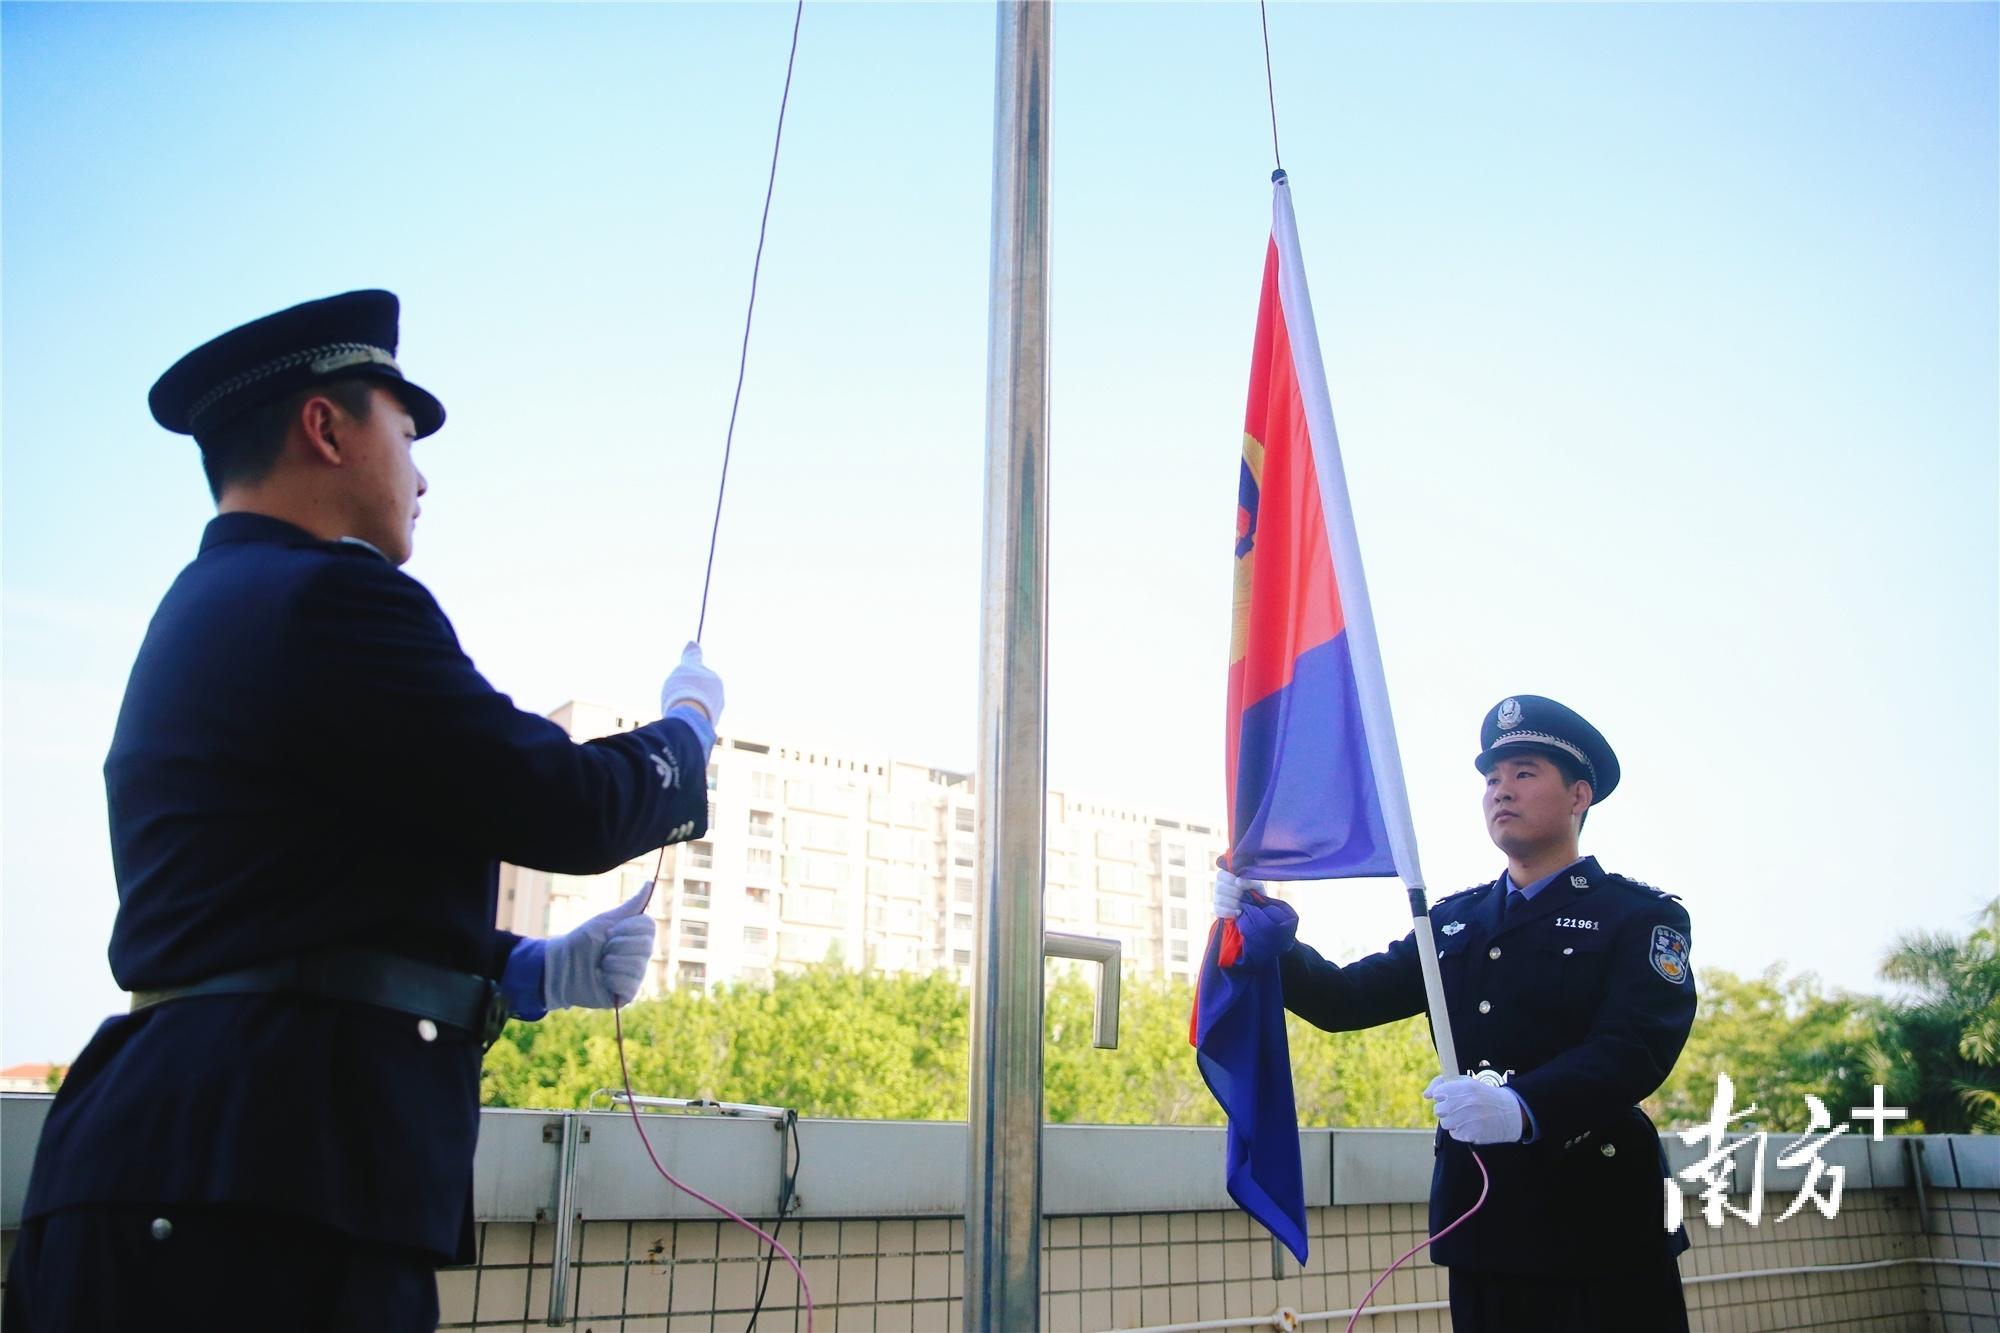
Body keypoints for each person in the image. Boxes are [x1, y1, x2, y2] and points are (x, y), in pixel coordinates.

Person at [4, 290, 724, 1331]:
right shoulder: (326, 599)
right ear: (326, 426)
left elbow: (288, 898)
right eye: (404, 427)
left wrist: (518, 971)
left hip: (181, 1176)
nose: (423, 474)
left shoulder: (213, 605)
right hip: (260, 1204)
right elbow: (556, 802)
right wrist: (685, 738)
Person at [1215, 695, 1696, 1332]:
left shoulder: (1639, 917)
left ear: (1579, 795)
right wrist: (1268, 938)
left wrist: (1524, 1106)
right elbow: (1345, 1001)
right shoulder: (1455, 921)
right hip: (1485, 1221)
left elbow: (1636, 1046)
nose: (1502, 791)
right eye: (1492, 779)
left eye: (1524, 773)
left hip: (1598, 1221)